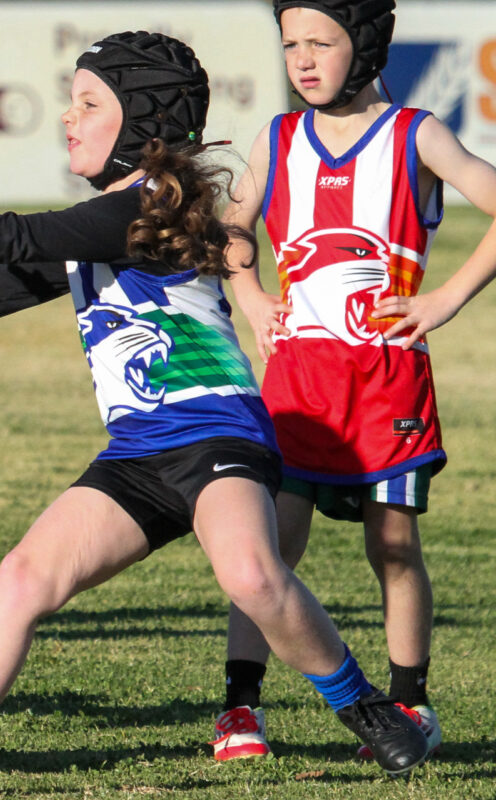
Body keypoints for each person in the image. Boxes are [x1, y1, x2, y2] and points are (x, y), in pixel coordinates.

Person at [0, 31, 430, 795]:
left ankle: (368, 708)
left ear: (142, 121)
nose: (68, 118)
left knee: (252, 576)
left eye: (88, 104)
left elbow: (22, 234)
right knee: (24, 576)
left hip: (217, 433)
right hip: (138, 451)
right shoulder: (100, 221)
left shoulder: (158, 204)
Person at [209, 0, 496, 763]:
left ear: (364, 43)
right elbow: (233, 227)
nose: (303, 60)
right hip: (298, 382)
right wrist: (252, 295)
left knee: (394, 544)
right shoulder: (277, 138)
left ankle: (411, 705)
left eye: (321, 42)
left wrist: (445, 299)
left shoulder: (415, 134)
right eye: (290, 45)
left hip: (387, 382)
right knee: (270, 546)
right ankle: (240, 708)